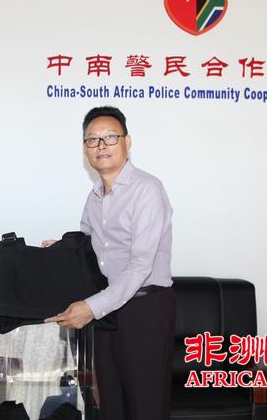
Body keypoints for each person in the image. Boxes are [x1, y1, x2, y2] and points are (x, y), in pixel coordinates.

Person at [44, 106, 177, 420]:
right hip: (108, 309)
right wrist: (59, 250)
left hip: (144, 309)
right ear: (85, 149)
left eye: (110, 137)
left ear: (127, 142)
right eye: (92, 140)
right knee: (111, 404)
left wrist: (91, 308)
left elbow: (141, 264)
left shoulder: (147, 189)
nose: (101, 146)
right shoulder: (94, 196)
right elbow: (88, 246)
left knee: (145, 407)